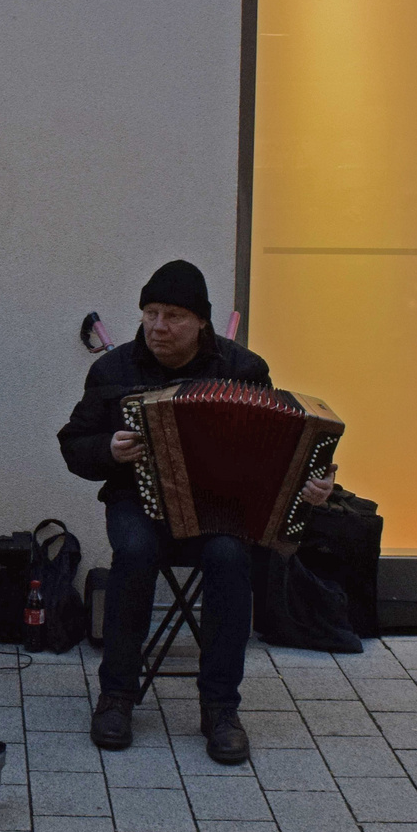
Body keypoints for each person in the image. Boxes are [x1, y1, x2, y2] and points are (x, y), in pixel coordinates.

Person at [57, 260, 334, 763]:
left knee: (231, 559)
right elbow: (74, 445)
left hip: (221, 511)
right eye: (151, 314)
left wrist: (312, 486)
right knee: (135, 554)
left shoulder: (243, 369)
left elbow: (286, 449)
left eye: (174, 317)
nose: (159, 327)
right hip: (137, 502)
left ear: (201, 321)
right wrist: (108, 450)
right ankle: (117, 695)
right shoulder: (112, 370)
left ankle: (220, 706)